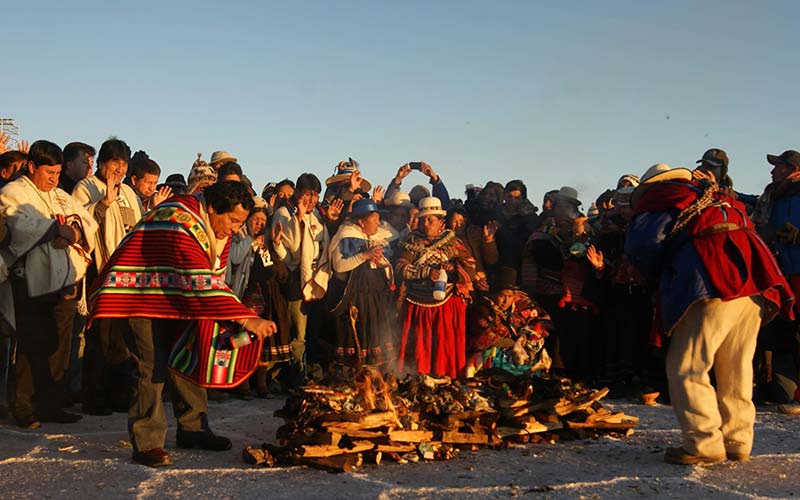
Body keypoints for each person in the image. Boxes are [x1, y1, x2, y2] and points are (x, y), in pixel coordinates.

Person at [88, 181, 277, 467]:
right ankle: (147, 441)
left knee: (189, 351)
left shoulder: (214, 229)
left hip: (175, 295)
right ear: (213, 207)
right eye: (233, 220)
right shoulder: (178, 219)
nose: (236, 228)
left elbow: (212, 276)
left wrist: (229, 314)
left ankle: (193, 428)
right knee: (152, 364)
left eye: (241, 222)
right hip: (139, 295)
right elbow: (198, 278)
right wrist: (244, 316)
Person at [625, 163, 793, 465]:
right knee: (736, 363)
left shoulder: (663, 196)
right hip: (753, 280)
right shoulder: (716, 197)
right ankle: (737, 440)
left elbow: (644, 244)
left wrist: (651, 276)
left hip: (710, 278)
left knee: (687, 365)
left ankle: (703, 442)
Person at [0, 140, 98, 428]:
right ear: (32, 167)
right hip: (30, 281)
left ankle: (51, 404)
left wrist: (74, 232)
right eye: (49, 172)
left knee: (60, 346)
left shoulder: (60, 195)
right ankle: (23, 406)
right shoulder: (12, 192)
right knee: (32, 346)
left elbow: (86, 221)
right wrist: (57, 229)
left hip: (65, 281)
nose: (55, 179)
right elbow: (17, 226)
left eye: (57, 173)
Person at [72, 138, 143, 415]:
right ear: (102, 163)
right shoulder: (85, 187)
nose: (120, 169)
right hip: (99, 271)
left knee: (121, 340)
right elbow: (79, 223)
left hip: (125, 274)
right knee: (98, 338)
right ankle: (94, 397)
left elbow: (136, 227)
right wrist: (103, 203)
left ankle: (119, 395)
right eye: (115, 162)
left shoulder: (128, 192)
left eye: (124, 164)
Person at [395, 197, 476, 378]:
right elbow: (400, 268)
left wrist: (454, 269)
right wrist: (424, 273)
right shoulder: (411, 242)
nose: (425, 223)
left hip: (446, 304)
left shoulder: (453, 242)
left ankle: (444, 377)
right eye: (422, 219)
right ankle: (415, 378)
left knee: (443, 345)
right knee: (418, 346)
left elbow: (470, 269)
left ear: (441, 221)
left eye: (430, 219)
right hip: (417, 304)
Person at [751, 150, 800, 413]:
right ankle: (781, 390)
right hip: (782, 272)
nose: (772, 171)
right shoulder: (774, 197)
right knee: (783, 333)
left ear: (793, 168)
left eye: (778, 166)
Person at [271, 173, 330, 384]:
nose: (311, 199)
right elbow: (294, 250)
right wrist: (298, 220)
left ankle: (311, 374)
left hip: (317, 278)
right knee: (298, 334)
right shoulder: (283, 214)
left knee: (314, 331)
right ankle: (294, 377)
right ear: (297, 192)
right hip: (297, 280)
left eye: (315, 195)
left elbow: (322, 242)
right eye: (307, 194)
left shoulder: (317, 215)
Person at [328, 198, 398, 369]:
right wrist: (364, 256)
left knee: (376, 340)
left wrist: (379, 259)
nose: (378, 222)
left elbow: (385, 266)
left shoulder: (377, 237)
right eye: (374, 219)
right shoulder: (346, 235)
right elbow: (339, 266)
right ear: (361, 221)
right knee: (356, 341)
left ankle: (374, 383)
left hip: (375, 300)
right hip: (355, 300)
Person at [466, 267, 552, 377]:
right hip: (492, 357)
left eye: (510, 296)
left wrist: (531, 334)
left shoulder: (516, 309)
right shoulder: (482, 310)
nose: (506, 301)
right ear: (493, 294)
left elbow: (541, 321)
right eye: (502, 296)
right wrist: (513, 343)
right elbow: (484, 338)